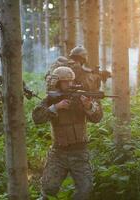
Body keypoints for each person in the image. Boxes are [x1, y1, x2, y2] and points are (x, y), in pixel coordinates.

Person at [32, 66, 103, 200]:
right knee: (48, 189)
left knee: (85, 189)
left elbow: (97, 118)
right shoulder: (51, 99)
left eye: (71, 81)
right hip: (58, 152)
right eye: (65, 82)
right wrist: (56, 107)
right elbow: (37, 117)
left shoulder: (81, 97)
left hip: (79, 152)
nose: (69, 84)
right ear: (57, 83)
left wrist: (88, 106)